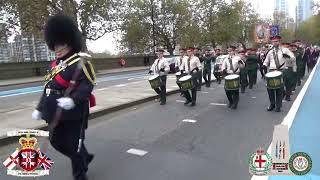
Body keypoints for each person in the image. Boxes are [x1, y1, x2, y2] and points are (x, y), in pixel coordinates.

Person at [31, 14, 96, 180]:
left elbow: (87, 86)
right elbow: (48, 88)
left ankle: (80, 175)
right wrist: (39, 108)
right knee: (56, 141)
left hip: (73, 111)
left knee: (74, 145)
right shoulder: (54, 65)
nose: (57, 48)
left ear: (70, 43)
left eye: (62, 45)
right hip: (53, 110)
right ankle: (84, 157)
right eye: (55, 45)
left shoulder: (81, 62)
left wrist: (72, 100)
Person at [262, 36, 295, 112]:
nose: (275, 43)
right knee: (270, 89)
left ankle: (278, 106)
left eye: (276, 41)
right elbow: (267, 60)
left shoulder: (285, 50)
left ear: (279, 42)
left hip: (281, 71)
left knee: (279, 89)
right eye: (273, 41)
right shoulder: (270, 51)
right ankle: (272, 104)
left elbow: (293, 58)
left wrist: (288, 57)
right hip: (272, 71)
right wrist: (264, 65)